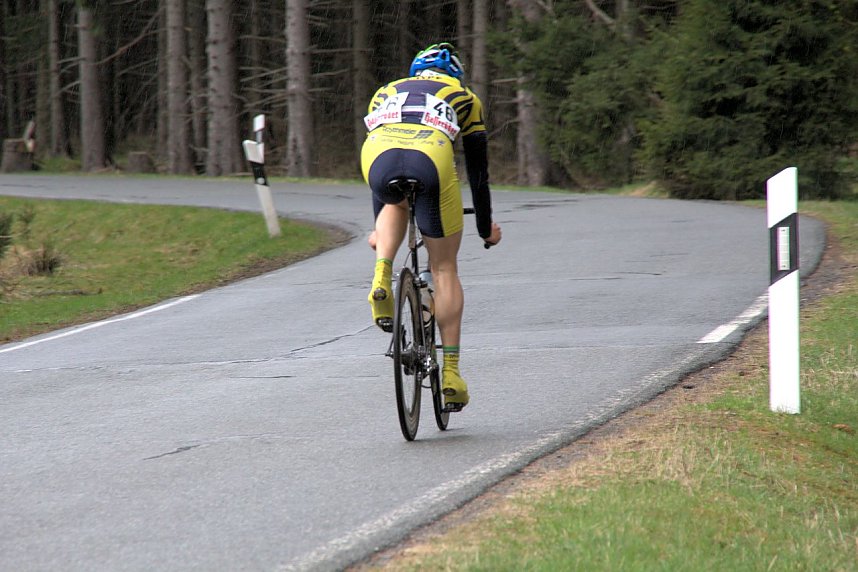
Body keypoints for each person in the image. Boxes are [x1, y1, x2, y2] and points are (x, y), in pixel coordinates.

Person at [360, 42, 502, 409]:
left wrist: (378, 228)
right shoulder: (465, 98)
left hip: (377, 155)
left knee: (396, 199)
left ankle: (382, 275)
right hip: (431, 156)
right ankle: (451, 373)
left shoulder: (387, 91)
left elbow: (387, 163)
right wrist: (485, 227)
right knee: (444, 268)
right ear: (455, 76)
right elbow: (479, 173)